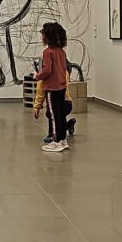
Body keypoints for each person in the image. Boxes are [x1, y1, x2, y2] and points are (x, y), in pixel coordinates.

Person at [34, 22, 70, 152]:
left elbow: (47, 70)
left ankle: (56, 141)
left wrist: (37, 76)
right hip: (61, 87)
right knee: (61, 115)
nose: (41, 37)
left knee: (54, 116)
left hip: (52, 89)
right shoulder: (61, 52)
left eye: (43, 35)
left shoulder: (47, 52)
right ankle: (63, 140)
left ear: (48, 37)